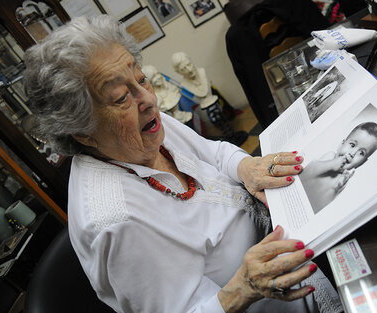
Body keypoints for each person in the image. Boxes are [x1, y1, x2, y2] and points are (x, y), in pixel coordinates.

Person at [23, 16, 342, 313]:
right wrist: (243, 288)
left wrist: (247, 168)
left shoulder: (142, 126)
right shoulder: (118, 224)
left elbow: (214, 153)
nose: (147, 99)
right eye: (121, 98)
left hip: (287, 232)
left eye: (141, 78)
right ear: (83, 132)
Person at [300, 122, 377, 213]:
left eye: (361, 153)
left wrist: (335, 189)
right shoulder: (330, 156)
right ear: (341, 144)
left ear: (362, 162)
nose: (352, 153)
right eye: (352, 145)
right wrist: (331, 164)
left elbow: (326, 204)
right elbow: (308, 172)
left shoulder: (344, 178)